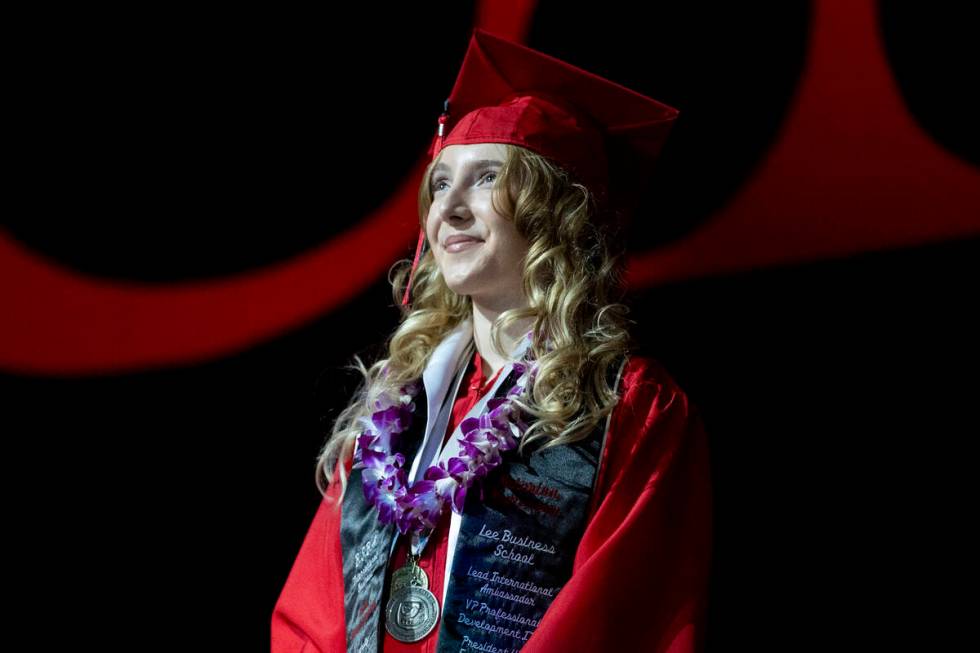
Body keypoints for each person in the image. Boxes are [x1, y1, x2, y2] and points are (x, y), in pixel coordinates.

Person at [272, 28, 713, 653]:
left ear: (555, 212)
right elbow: (311, 618)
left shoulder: (626, 408)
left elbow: (620, 617)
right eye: (440, 183)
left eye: (484, 179)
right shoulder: (395, 414)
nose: (447, 208)